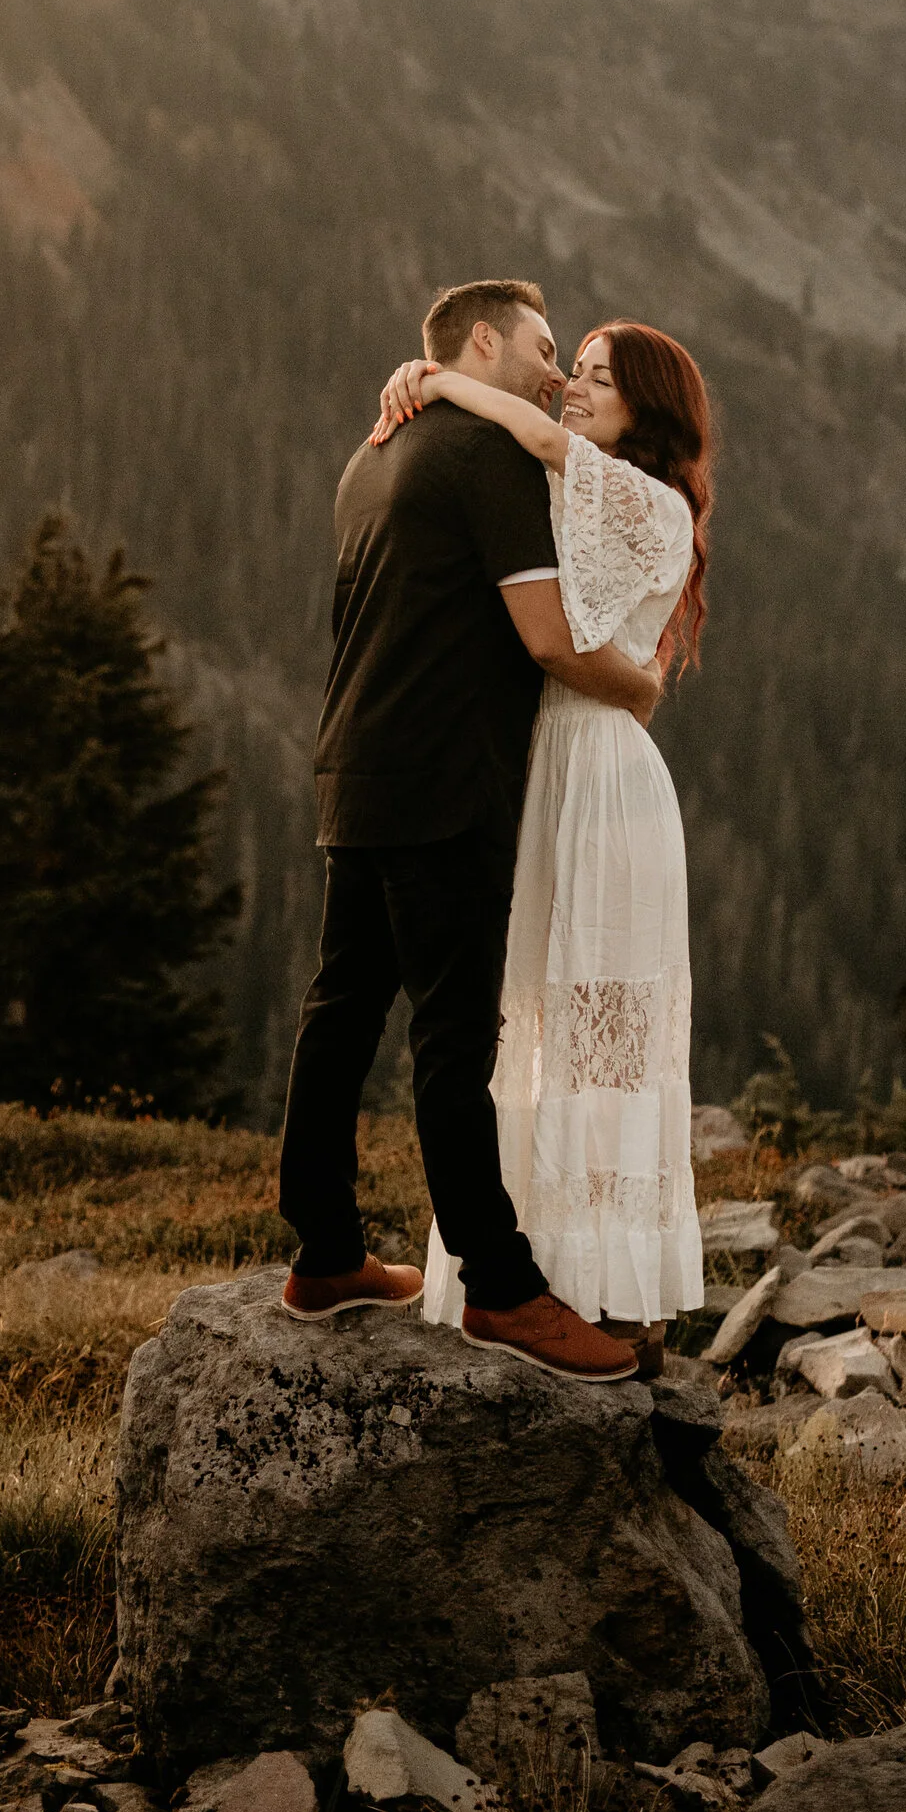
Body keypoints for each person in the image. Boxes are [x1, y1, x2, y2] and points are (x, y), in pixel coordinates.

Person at [275, 276, 666, 1383]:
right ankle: (501, 1287)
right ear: (483, 341)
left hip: (355, 764)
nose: (553, 370)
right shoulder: (485, 456)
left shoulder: (375, 453)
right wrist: (638, 689)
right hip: (446, 780)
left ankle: (325, 1254)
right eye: (544, 348)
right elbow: (545, 637)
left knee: (341, 1010)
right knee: (453, 1038)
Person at [372, 317, 710, 1371]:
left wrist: (438, 380)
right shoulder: (584, 493)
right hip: (547, 770)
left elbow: (545, 440)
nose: (574, 387)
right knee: (534, 1023)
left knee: (603, 1036)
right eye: (575, 370)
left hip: (602, 779)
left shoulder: (645, 499)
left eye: (599, 377)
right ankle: (542, 1274)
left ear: (646, 406)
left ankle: (615, 1293)